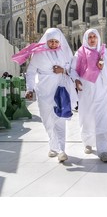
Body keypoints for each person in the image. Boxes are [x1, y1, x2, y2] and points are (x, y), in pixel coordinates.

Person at [13, 28, 76, 163]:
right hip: (44, 92)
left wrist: (63, 70)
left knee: (60, 120)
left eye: (55, 41)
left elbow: (73, 70)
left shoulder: (64, 54)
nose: (53, 44)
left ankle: (61, 150)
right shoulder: (39, 55)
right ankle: (53, 146)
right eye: (51, 41)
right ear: (46, 41)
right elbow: (30, 72)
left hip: (60, 91)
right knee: (47, 121)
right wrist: (30, 89)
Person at [71, 29, 107, 163]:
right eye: (90, 37)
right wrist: (76, 80)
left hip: (103, 92)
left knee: (103, 120)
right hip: (86, 91)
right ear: (86, 38)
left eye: (94, 37)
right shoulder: (80, 53)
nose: (92, 39)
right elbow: (73, 70)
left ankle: (103, 150)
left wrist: (102, 69)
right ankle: (88, 142)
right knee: (87, 118)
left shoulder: (105, 53)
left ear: (98, 38)